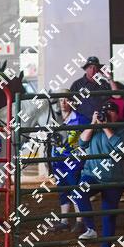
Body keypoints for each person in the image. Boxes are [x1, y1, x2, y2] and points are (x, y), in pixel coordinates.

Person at [71, 100, 124, 247]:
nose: (107, 114)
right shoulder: (95, 128)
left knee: (108, 215)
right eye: (105, 111)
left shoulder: (123, 130)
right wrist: (93, 124)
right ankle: (91, 228)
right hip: (92, 174)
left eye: (111, 111)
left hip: (114, 178)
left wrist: (106, 127)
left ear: (117, 115)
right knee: (78, 193)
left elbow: (120, 148)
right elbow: (81, 142)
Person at [51, 98, 85, 232]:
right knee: (62, 190)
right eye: (61, 100)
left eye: (66, 100)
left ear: (72, 102)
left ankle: (80, 221)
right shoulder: (54, 119)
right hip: (58, 161)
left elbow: (89, 134)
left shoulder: (80, 119)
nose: (63, 103)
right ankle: (64, 221)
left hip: (73, 162)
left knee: (75, 189)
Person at [69, 56, 111, 121]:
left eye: (95, 68)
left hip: (101, 121)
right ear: (86, 69)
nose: (92, 70)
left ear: (98, 70)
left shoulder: (104, 83)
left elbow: (117, 95)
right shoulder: (77, 84)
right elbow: (71, 105)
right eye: (90, 67)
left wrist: (109, 77)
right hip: (82, 122)